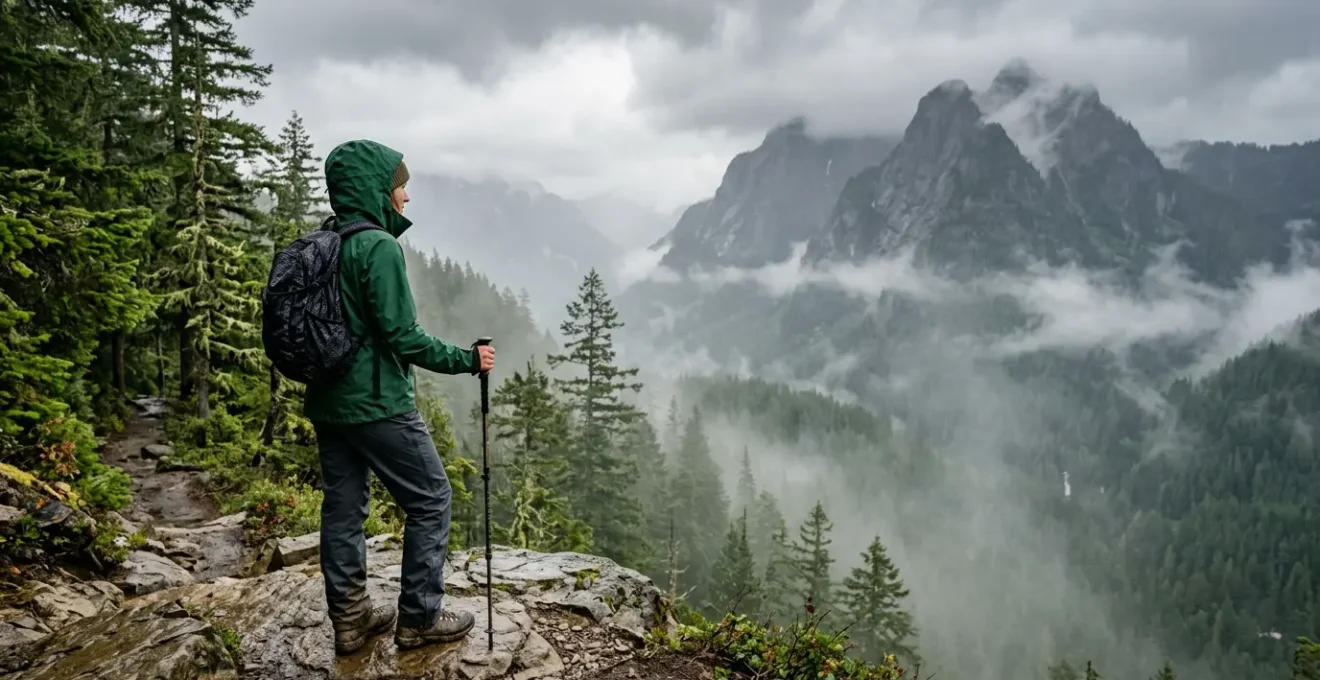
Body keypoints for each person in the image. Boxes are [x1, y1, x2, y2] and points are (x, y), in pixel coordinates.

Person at [304, 139, 496, 655]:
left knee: (344, 509)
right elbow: (404, 336)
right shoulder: (378, 248)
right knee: (431, 498)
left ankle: (350, 621)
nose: (406, 197)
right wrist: (467, 359)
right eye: (399, 186)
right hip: (377, 403)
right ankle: (419, 619)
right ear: (377, 190)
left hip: (327, 403)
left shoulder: (326, 243)